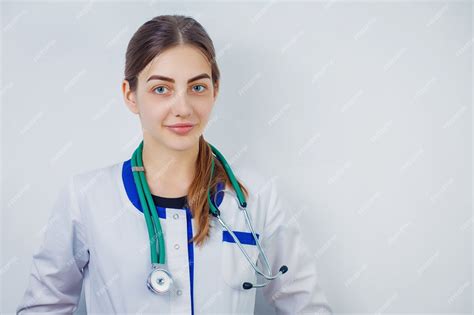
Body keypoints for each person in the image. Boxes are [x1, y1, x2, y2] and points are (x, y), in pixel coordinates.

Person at [16, 14, 333, 314]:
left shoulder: (256, 197)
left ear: (215, 91)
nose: (182, 107)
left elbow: (307, 308)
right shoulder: (86, 198)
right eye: (161, 89)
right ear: (130, 95)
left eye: (197, 87)